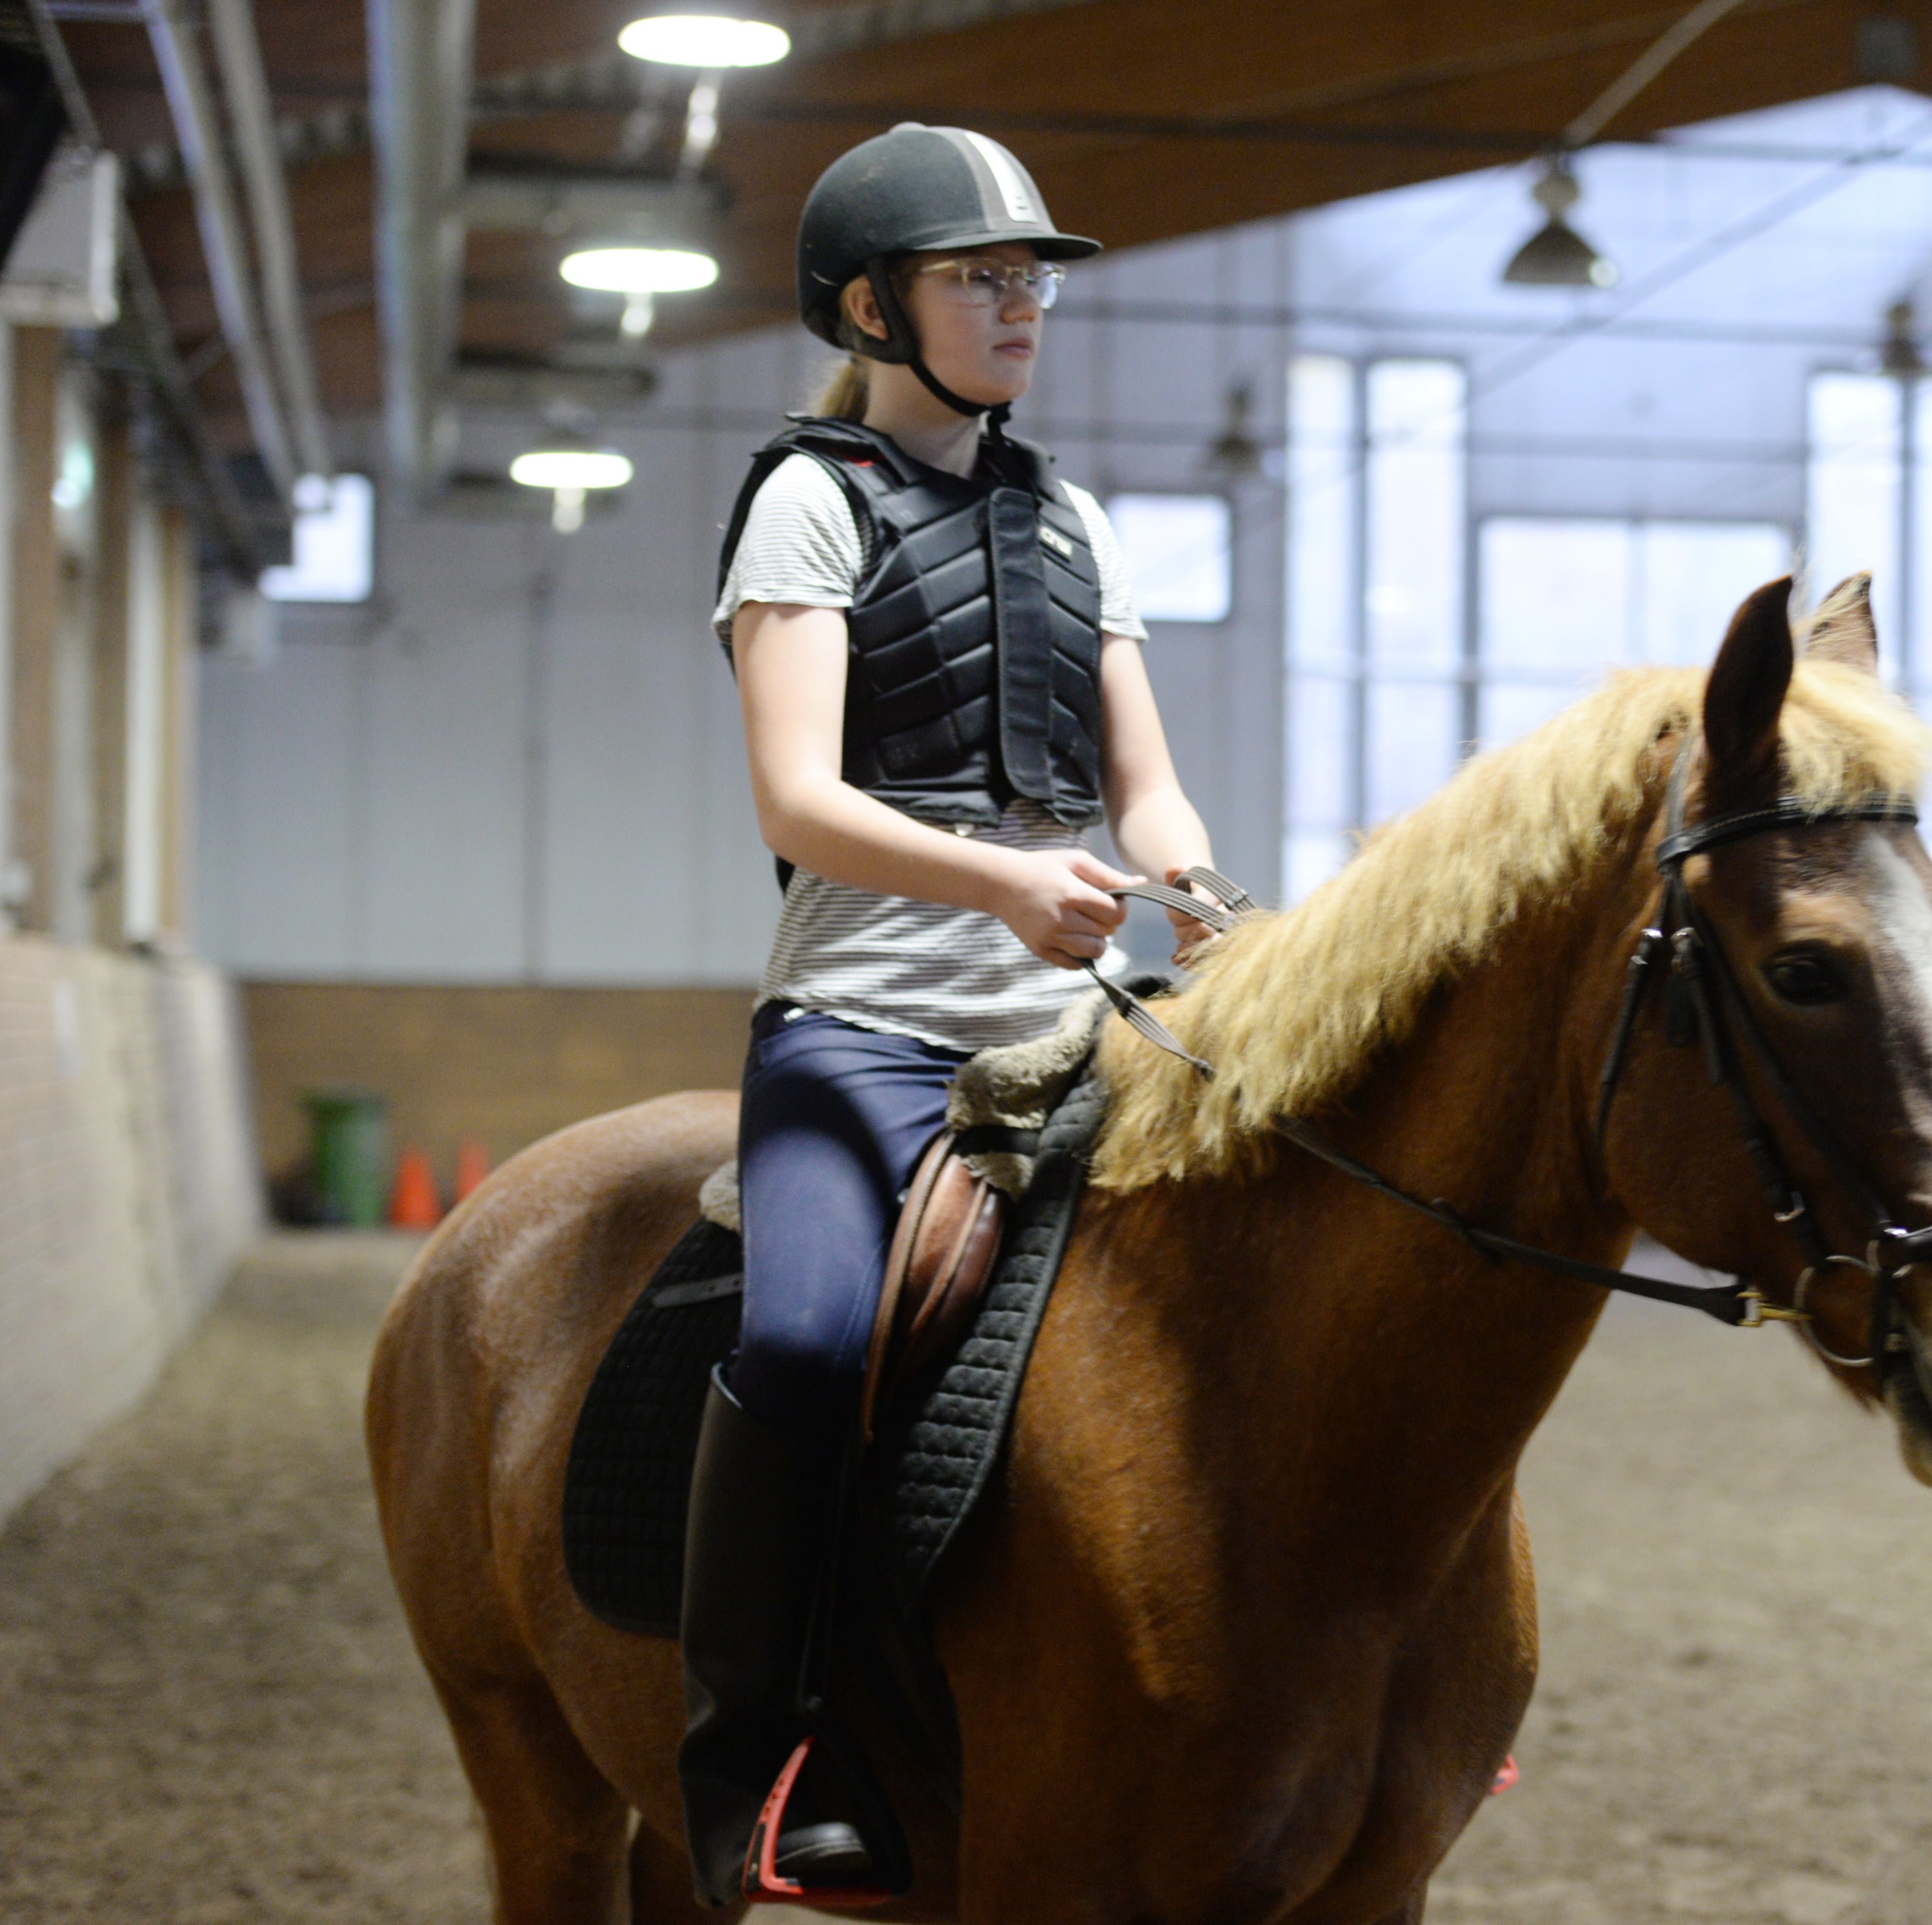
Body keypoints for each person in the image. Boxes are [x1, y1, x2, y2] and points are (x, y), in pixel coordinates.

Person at [680, 123, 1215, 1906]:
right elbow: (795, 801)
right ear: (870, 304)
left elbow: (1144, 790)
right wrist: (997, 881)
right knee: (822, 1342)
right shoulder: (808, 501)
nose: (1023, 303)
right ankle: (758, 1753)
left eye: (1032, 275)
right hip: (862, 1030)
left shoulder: (1069, 517)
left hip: (1074, 1028)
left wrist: (1198, 888)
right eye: (981, 276)